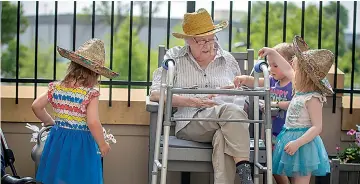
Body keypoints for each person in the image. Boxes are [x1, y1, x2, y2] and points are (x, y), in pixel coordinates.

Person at [150, 8, 253, 184]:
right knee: (229, 114)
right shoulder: (174, 57)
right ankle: (245, 170)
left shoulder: (227, 60)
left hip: (227, 122)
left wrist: (231, 92)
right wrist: (194, 101)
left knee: (222, 136)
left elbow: (243, 96)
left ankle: (242, 177)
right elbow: (156, 93)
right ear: (188, 40)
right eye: (201, 41)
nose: (208, 45)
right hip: (191, 122)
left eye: (210, 39)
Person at [31, 38, 119, 184]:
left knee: (57, 177)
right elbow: (92, 122)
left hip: (57, 139)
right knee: (81, 178)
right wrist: (103, 144)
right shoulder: (90, 93)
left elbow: (36, 106)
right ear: (94, 74)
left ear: (71, 66)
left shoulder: (56, 87)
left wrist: (49, 122)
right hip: (81, 143)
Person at [259, 35, 332, 184]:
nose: (291, 70)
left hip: (304, 145)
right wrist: (272, 52)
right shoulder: (299, 89)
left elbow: (317, 127)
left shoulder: (313, 98)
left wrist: (297, 143)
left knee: (300, 180)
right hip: (289, 138)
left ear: (304, 75)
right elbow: (285, 67)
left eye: (295, 68)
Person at [234, 43, 295, 184]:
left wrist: (276, 104)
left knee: (292, 166)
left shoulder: (293, 83)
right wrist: (244, 78)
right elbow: (257, 81)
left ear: (289, 65)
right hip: (272, 133)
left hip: (290, 133)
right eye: (269, 65)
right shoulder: (272, 80)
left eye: (275, 65)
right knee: (273, 166)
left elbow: (296, 104)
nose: (270, 69)